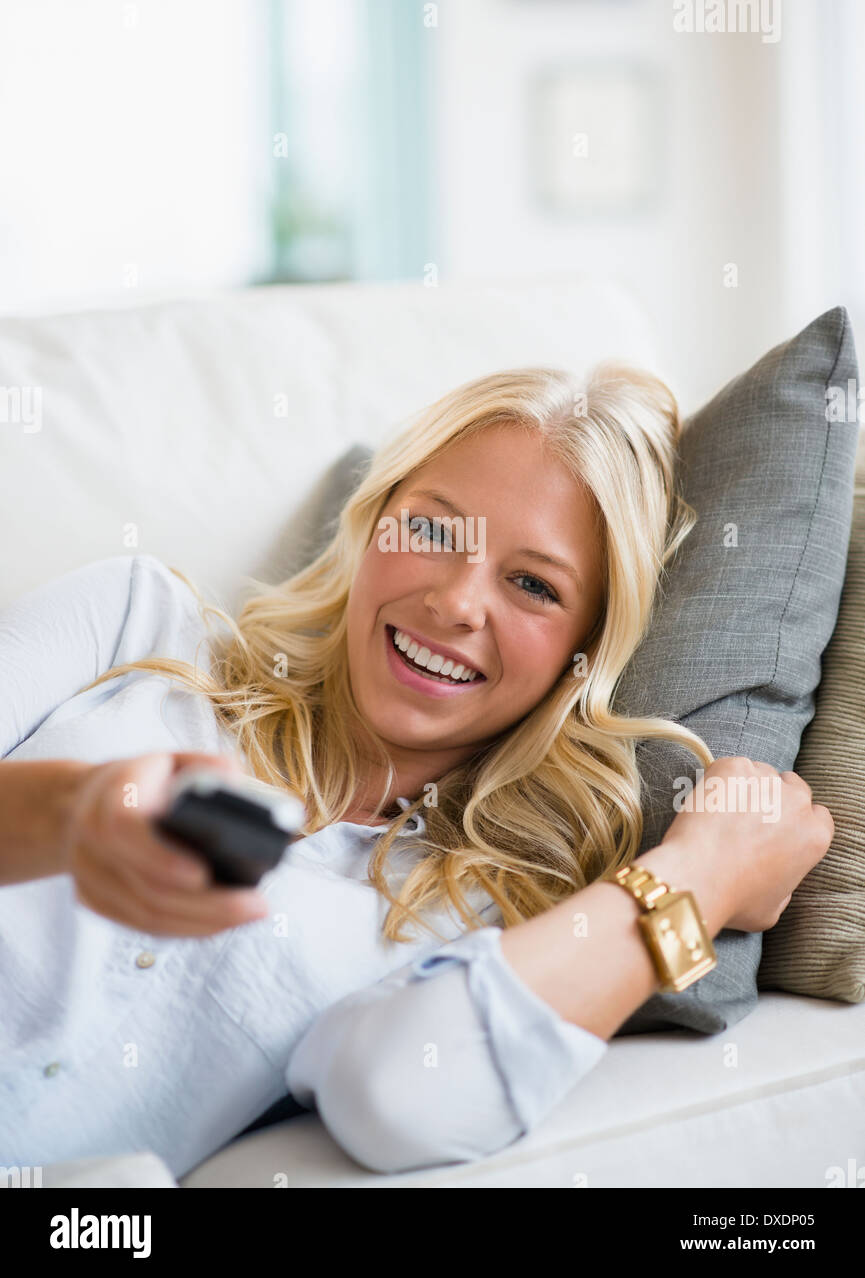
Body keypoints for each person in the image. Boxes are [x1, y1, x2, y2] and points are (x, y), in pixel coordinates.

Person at [0, 365, 832, 1178]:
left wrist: (700, 876)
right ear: (373, 524)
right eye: (433, 531)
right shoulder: (135, 625)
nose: (455, 603)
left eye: (533, 585)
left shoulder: (485, 913)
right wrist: (69, 818)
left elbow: (397, 1097)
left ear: (585, 649)